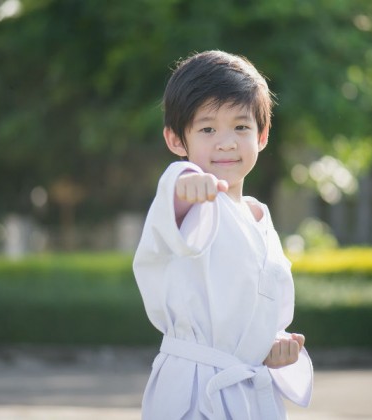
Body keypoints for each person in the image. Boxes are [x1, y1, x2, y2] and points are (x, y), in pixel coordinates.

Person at [133, 50, 313, 420]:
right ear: (176, 141)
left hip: (250, 391)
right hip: (195, 392)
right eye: (208, 129)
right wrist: (187, 186)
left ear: (262, 135)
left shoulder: (258, 216)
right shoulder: (185, 194)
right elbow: (176, 198)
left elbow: (256, 313)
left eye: (241, 127)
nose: (226, 142)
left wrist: (273, 344)